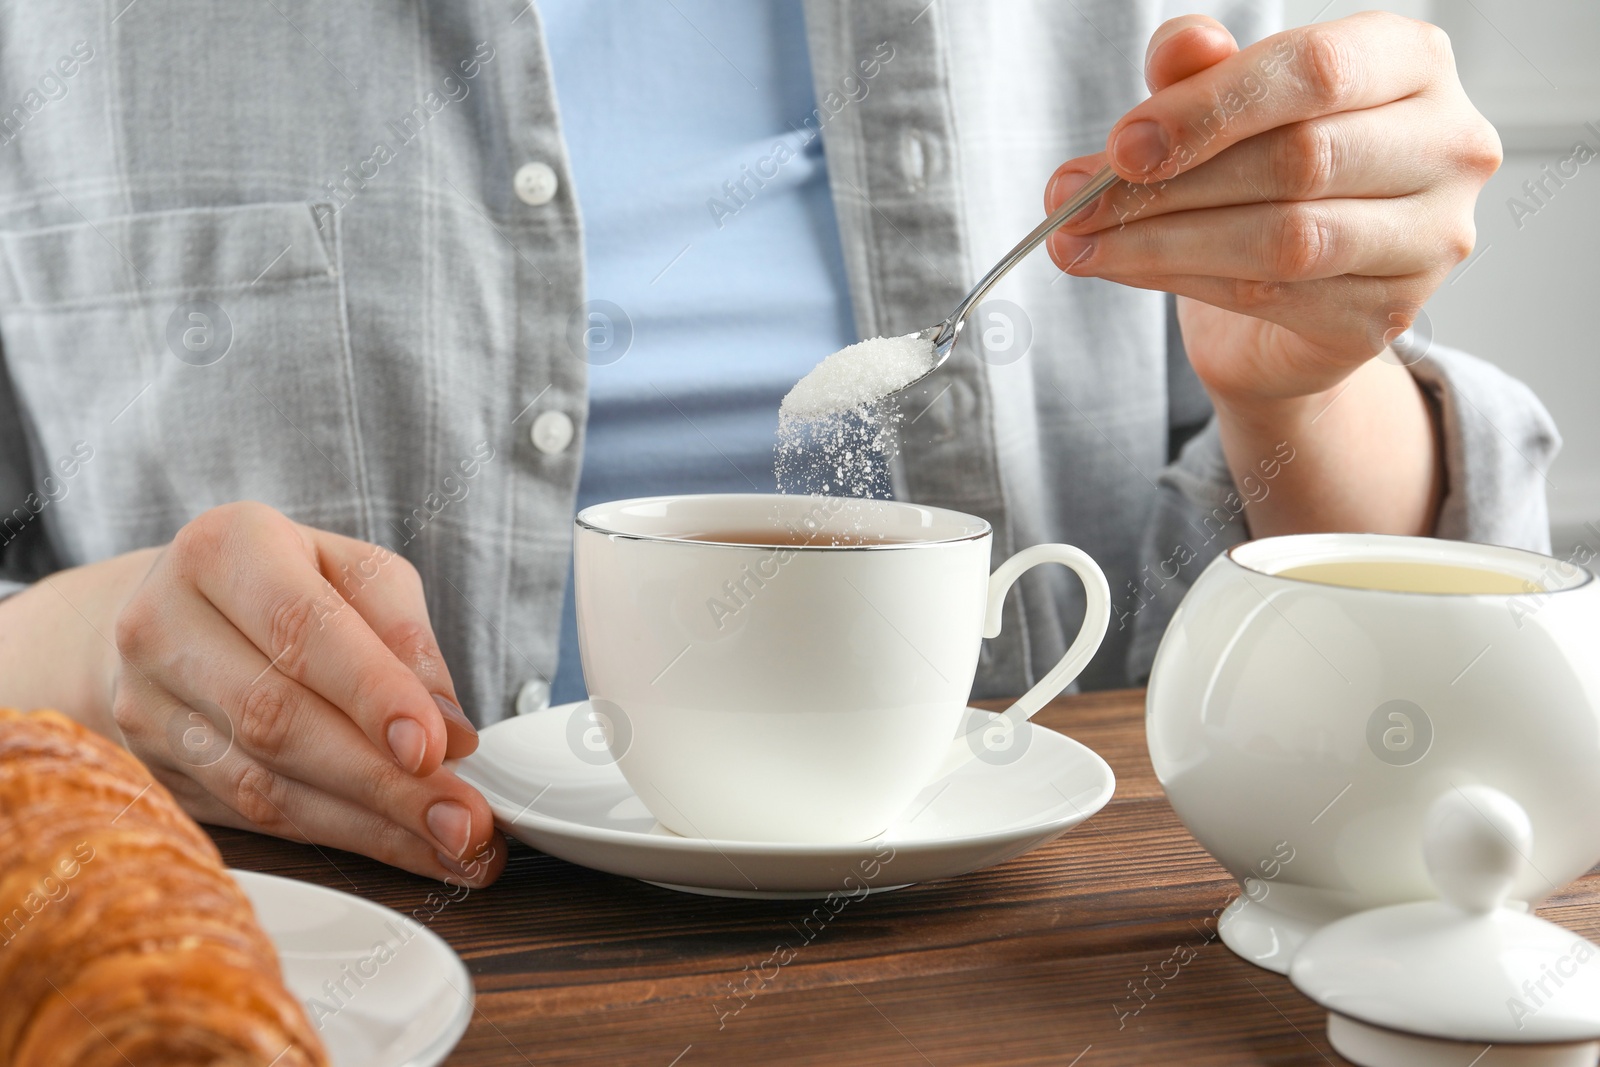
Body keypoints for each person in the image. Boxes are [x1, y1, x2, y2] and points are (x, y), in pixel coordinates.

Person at [0, 2, 1553, 887]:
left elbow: (1376, 715)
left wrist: (1294, 394)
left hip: (1018, 972)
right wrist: (71, 661)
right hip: (304, 949)